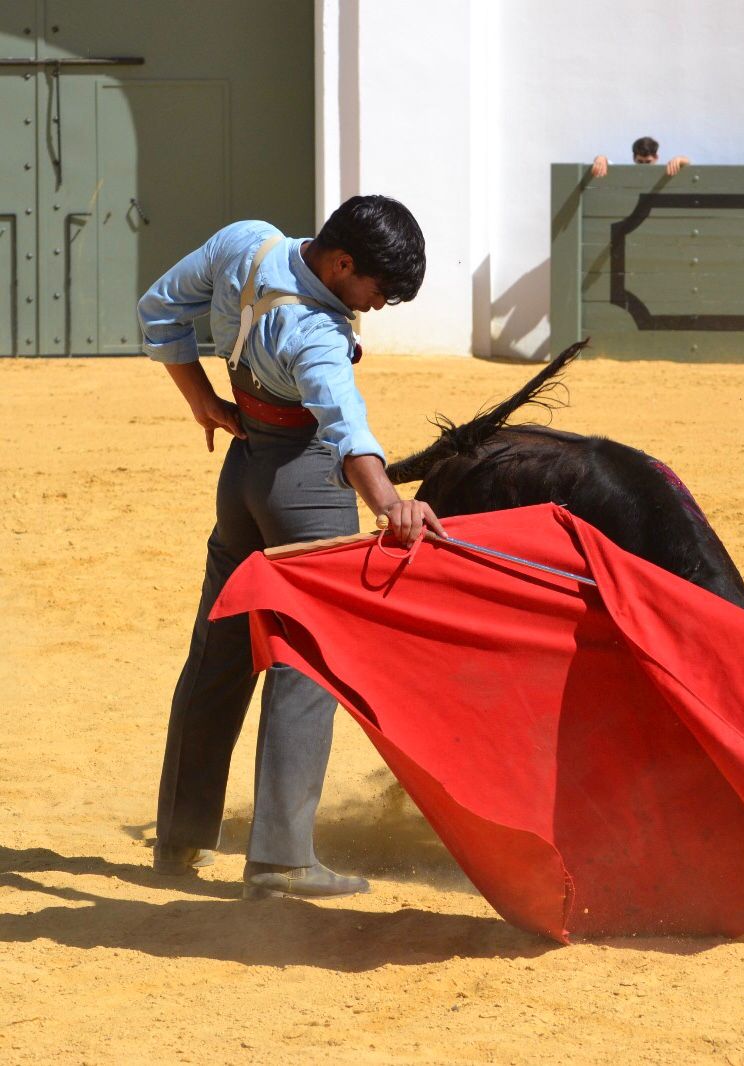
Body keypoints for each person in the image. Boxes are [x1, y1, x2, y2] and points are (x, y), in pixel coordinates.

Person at [138, 195, 445, 900]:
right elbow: (345, 427)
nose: (379, 305)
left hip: (242, 472)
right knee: (308, 662)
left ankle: (180, 837)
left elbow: (159, 307)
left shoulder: (246, 241)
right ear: (341, 264)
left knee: (218, 652)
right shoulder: (317, 333)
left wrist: (200, 399)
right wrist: (391, 504)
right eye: (378, 290)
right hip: (303, 487)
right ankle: (280, 862)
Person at [590, 135, 690, 179]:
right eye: (640, 162)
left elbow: (689, 166)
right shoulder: (626, 175)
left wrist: (680, 159)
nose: (644, 166)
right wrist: (601, 158)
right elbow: (607, 163)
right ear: (634, 158)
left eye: (648, 162)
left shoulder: (664, 173)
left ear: (656, 158)